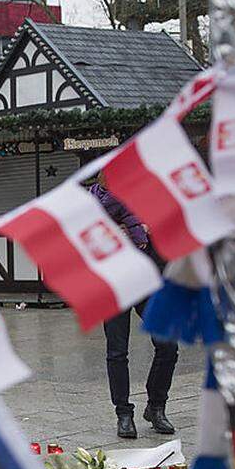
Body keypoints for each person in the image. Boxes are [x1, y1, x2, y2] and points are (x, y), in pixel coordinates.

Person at [91, 179, 178, 439]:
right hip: (114, 283)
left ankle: (156, 406)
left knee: (168, 345)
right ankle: (123, 413)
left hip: (148, 278)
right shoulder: (93, 204)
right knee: (117, 351)